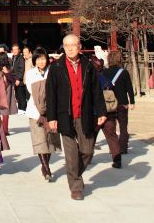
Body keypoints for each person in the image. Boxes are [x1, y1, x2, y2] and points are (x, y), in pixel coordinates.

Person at [46, 34, 107, 200]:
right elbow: (50, 94)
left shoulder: (88, 65)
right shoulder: (56, 67)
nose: (70, 48)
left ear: (80, 47)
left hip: (84, 114)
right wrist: (51, 117)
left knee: (87, 150)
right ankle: (76, 186)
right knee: (71, 153)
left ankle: (74, 172)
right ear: (63, 47)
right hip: (64, 115)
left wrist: (101, 112)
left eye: (73, 45)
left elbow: (96, 91)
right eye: (67, 45)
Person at [25, 48, 60, 181]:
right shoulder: (30, 74)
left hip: (52, 110)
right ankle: (46, 168)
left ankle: (45, 165)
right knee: (39, 140)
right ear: (34, 61)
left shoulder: (53, 72)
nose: (41, 61)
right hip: (35, 111)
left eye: (43, 58)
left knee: (50, 140)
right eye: (38, 59)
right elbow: (32, 90)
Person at [99, 51, 135, 168]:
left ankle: (114, 149)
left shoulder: (104, 72)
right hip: (122, 102)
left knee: (111, 128)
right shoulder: (124, 73)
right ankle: (123, 148)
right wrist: (132, 102)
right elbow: (129, 88)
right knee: (123, 126)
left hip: (110, 104)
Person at [10, 43, 27, 114]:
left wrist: (18, 79)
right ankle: (20, 109)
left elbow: (21, 69)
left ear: (19, 50)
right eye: (13, 50)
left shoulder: (20, 58)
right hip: (14, 79)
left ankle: (23, 109)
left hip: (19, 81)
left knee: (21, 96)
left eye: (16, 49)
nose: (15, 51)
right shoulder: (13, 57)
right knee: (17, 96)